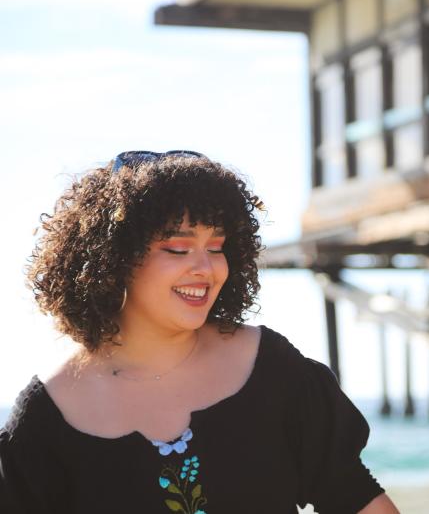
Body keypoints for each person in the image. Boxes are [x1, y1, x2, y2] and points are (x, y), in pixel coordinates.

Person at [0, 151, 400, 514]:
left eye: (216, 247)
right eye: (178, 249)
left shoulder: (272, 368)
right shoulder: (46, 418)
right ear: (113, 259)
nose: (206, 269)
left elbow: (359, 501)